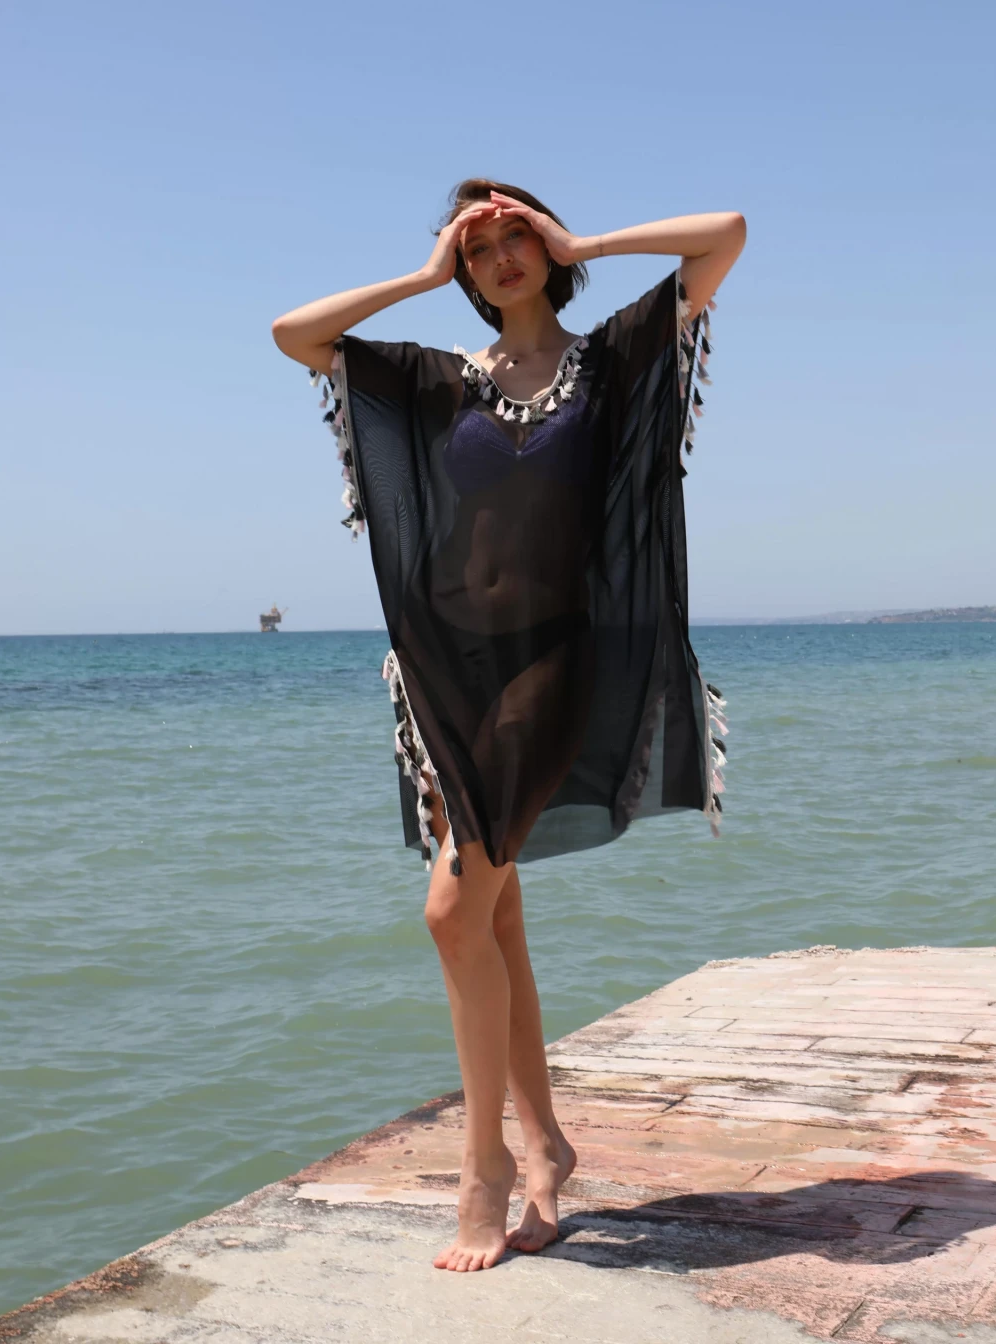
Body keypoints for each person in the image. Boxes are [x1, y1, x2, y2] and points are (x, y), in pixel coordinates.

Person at [272, 179, 746, 1273]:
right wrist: (421, 273)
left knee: (452, 912)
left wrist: (589, 241)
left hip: (553, 662)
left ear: (547, 245)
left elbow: (723, 235)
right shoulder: (438, 378)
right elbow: (295, 333)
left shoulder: (613, 358)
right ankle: (546, 1149)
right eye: (478, 245)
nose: (501, 255)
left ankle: (482, 1167)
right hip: (444, 673)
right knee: (496, 921)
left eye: (515, 233)